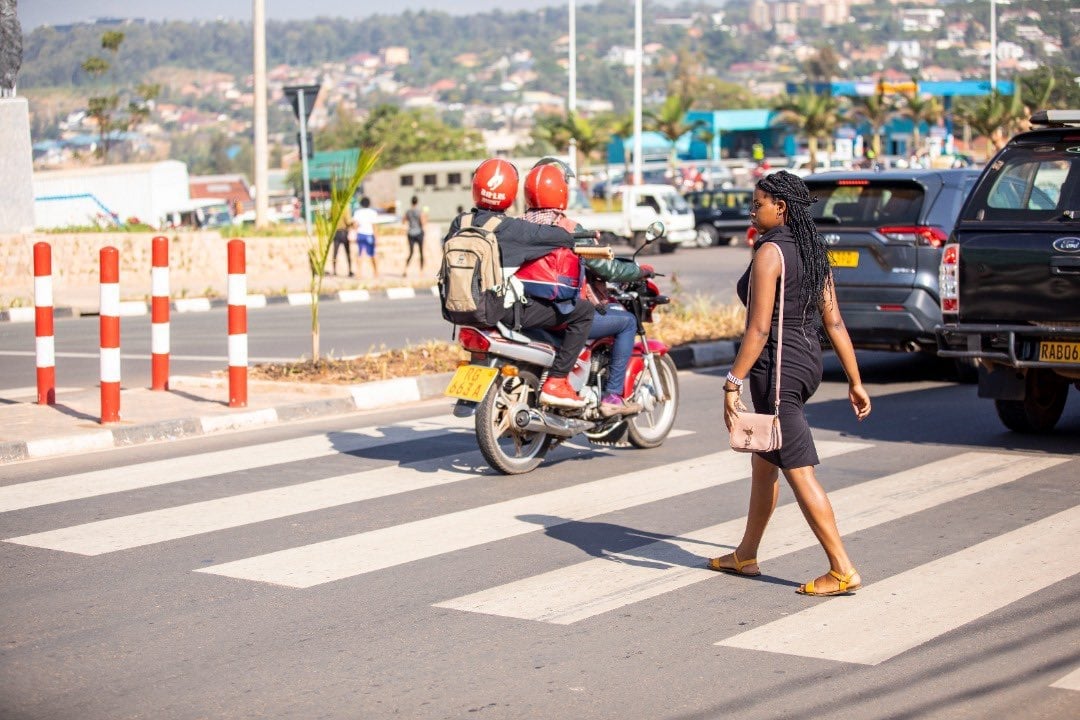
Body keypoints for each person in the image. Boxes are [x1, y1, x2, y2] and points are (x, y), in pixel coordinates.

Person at [708, 170, 872, 597]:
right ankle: (746, 554)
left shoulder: (771, 254)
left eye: (758, 202)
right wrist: (855, 381)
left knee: (797, 468)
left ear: (779, 207)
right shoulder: (813, 250)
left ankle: (841, 568)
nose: (752, 208)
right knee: (764, 460)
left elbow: (758, 330)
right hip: (804, 363)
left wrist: (732, 382)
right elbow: (833, 321)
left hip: (777, 371)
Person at [443, 158, 593, 408]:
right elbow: (560, 237)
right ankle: (557, 381)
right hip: (504, 311)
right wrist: (580, 237)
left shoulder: (460, 223)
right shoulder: (513, 229)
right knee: (584, 313)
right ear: (512, 193)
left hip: (459, 310)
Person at [520, 158, 649, 417]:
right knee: (625, 323)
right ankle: (612, 396)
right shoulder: (569, 229)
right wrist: (638, 271)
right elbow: (607, 269)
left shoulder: (517, 225)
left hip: (526, 313)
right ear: (561, 191)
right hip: (561, 313)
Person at [353, 196, 379, 278]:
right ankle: (376, 272)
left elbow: (355, 225)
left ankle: (358, 273)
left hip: (360, 234)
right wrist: (376, 238)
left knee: (360, 254)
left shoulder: (357, 213)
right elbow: (374, 226)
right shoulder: (373, 213)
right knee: (372, 254)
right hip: (369, 235)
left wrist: (355, 234)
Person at [402, 195, 426, 276]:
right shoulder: (420, 211)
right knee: (421, 252)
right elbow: (423, 223)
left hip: (410, 233)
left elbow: (403, 221)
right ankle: (421, 271)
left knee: (411, 252)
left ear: (411, 202)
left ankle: (405, 269)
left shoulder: (408, 211)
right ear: (417, 202)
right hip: (419, 233)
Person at [331, 199, 354, 277]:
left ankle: (334, 271)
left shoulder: (333, 207)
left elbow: (330, 218)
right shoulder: (345, 208)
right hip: (344, 232)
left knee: (335, 253)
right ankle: (350, 271)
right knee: (347, 253)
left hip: (335, 232)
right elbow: (348, 221)